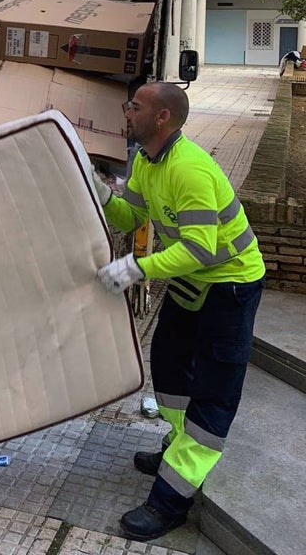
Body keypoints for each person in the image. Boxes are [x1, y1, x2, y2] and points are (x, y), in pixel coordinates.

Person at [91, 82, 265, 541]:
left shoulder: (189, 169)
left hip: (230, 288)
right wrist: (101, 190)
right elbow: (131, 215)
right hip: (194, 283)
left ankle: (169, 504)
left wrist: (136, 268)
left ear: (162, 117)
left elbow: (202, 250)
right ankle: (174, 445)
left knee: (213, 394)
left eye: (136, 106)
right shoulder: (148, 162)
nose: (128, 111)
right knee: (168, 368)